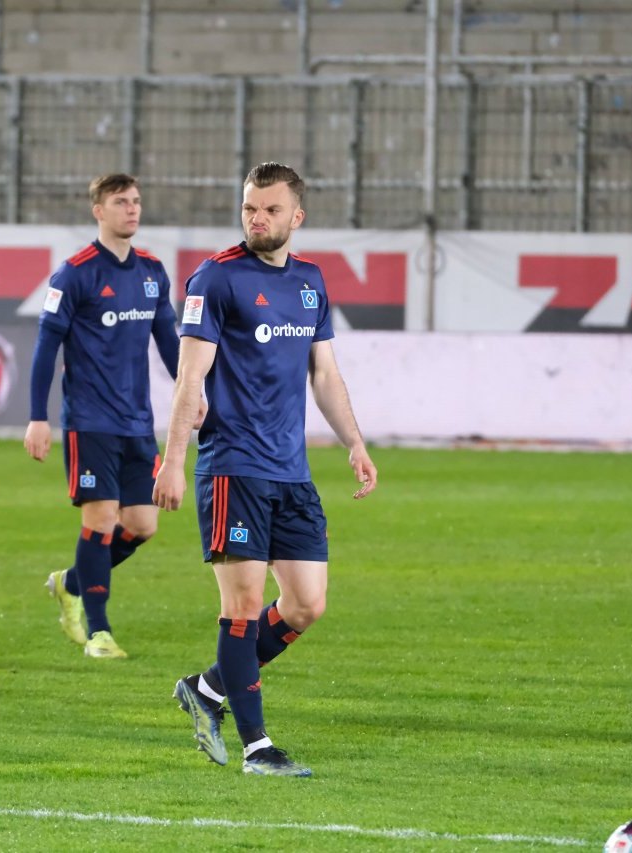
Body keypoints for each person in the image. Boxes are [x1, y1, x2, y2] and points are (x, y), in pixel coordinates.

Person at [153, 162, 378, 776]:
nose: (258, 218)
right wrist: (174, 461)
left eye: (271, 210)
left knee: (306, 605)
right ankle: (258, 748)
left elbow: (324, 375)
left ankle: (206, 690)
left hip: (292, 472)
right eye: (250, 207)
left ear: (296, 216)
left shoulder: (310, 281)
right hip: (232, 467)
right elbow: (190, 377)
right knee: (245, 606)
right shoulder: (216, 279)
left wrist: (354, 442)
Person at [24, 173, 197, 659]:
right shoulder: (74, 273)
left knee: (142, 525)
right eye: (121, 202)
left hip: (137, 423)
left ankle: (71, 582)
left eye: (137, 201)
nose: (132, 210)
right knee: (100, 521)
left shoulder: (151, 271)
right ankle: (99, 633)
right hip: (90, 420)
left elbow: (169, 341)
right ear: (98, 210)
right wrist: (38, 417)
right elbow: (45, 348)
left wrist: (193, 391)